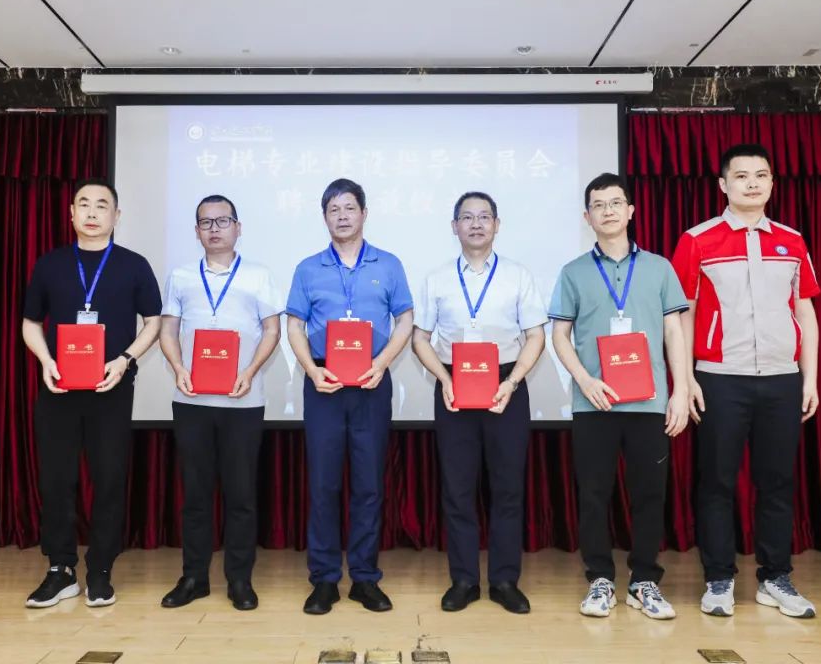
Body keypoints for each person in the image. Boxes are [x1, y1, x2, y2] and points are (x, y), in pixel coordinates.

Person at [671, 144, 820, 619]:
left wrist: (809, 378)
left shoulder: (792, 240)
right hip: (720, 380)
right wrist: (686, 379)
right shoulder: (697, 239)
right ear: (723, 185)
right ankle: (719, 579)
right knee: (716, 482)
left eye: (761, 175)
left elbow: (805, 311)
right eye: (741, 176)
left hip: (781, 380)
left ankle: (775, 578)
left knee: (777, 482)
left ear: (772, 182)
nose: (752, 183)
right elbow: (683, 315)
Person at [549, 173, 689, 620]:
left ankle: (644, 580)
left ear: (630, 211)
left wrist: (681, 389)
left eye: (615, 203)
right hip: (595, 402)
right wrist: (584, 380)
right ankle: (600, 580)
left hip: (649, 403)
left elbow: (674, 331)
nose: (607, 211)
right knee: (594, 494)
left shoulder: (659, 268)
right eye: (598, 205)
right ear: (586, 216)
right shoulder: (572, 272)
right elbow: (559, 335)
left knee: (650, 492)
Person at [21, 178, 162, 608]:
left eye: (102, 205)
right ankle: (60, 569)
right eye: (84, 204)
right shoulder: (50, 264)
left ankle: (100, 569)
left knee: (109, 479)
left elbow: (154, 322)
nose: (92, 212)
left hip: (110, 387)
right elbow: (30, 322)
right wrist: (46, 361)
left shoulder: (134, 265)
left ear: (117, 216)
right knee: (56, 480)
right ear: (71, 213)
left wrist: (125, 360)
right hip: (59, 388)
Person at [411, 192, 546, 614]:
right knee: (458, 489)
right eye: (466, 217)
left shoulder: (518, 275)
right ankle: (464, 580)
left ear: (496, 225)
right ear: (454, 227)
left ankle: (505, 580)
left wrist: (513, 381)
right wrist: (444, 379)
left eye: (484, 217)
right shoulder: (437, 279)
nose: (475, 224)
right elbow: (420, 338)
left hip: (506, 385)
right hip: (454, 387)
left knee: (508, 489)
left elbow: (536, 336)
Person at [285, 179, 414, 615]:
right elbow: (294, 325)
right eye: (333, 210)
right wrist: (311, 370)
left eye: (349, 208)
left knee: (368, 484)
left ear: (364, 213)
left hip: (372, 383)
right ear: (324, 217)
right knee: (323, 484)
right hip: (324, 383)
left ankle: (364, 578)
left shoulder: (389, 264)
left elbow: (406, 319)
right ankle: (324, 580)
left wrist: (382, 363)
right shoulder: (308, 268)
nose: (342, 216)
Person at [157, 195, 282, 611]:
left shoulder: (259, 275)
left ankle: (239, 580)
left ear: (238, 227)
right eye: (206, 222)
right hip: (191, 400)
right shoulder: (180, 276)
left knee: (241, 495)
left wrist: (251, 371)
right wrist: (178, 368)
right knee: (195, 495)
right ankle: (194, 577)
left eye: (223, 221)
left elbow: (272, 330)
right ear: (196, 231)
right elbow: (168, 330)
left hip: (242, 401)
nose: (214, 229)